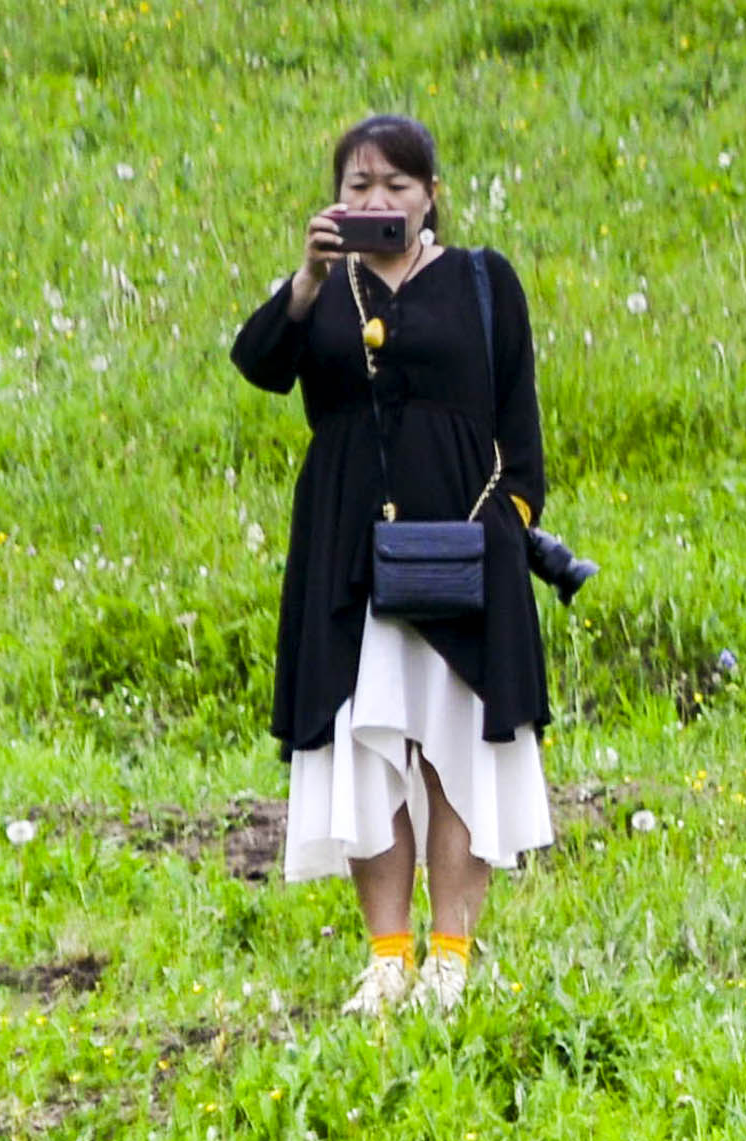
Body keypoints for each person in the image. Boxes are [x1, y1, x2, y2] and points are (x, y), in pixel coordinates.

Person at [230, 110, 567, 1016]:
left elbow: (521, 430)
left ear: (431, 196)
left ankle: (450, 958)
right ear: (336, 199)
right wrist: (305, 280)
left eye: (397, 185)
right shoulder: (321, 289)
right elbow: (257, 364)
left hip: (466, 552)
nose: (377, 200)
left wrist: (508, 528)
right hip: (349, 555)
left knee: (458, 749)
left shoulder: (484, 280)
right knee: (366, 745)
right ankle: (388, 960)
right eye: (359, 186)